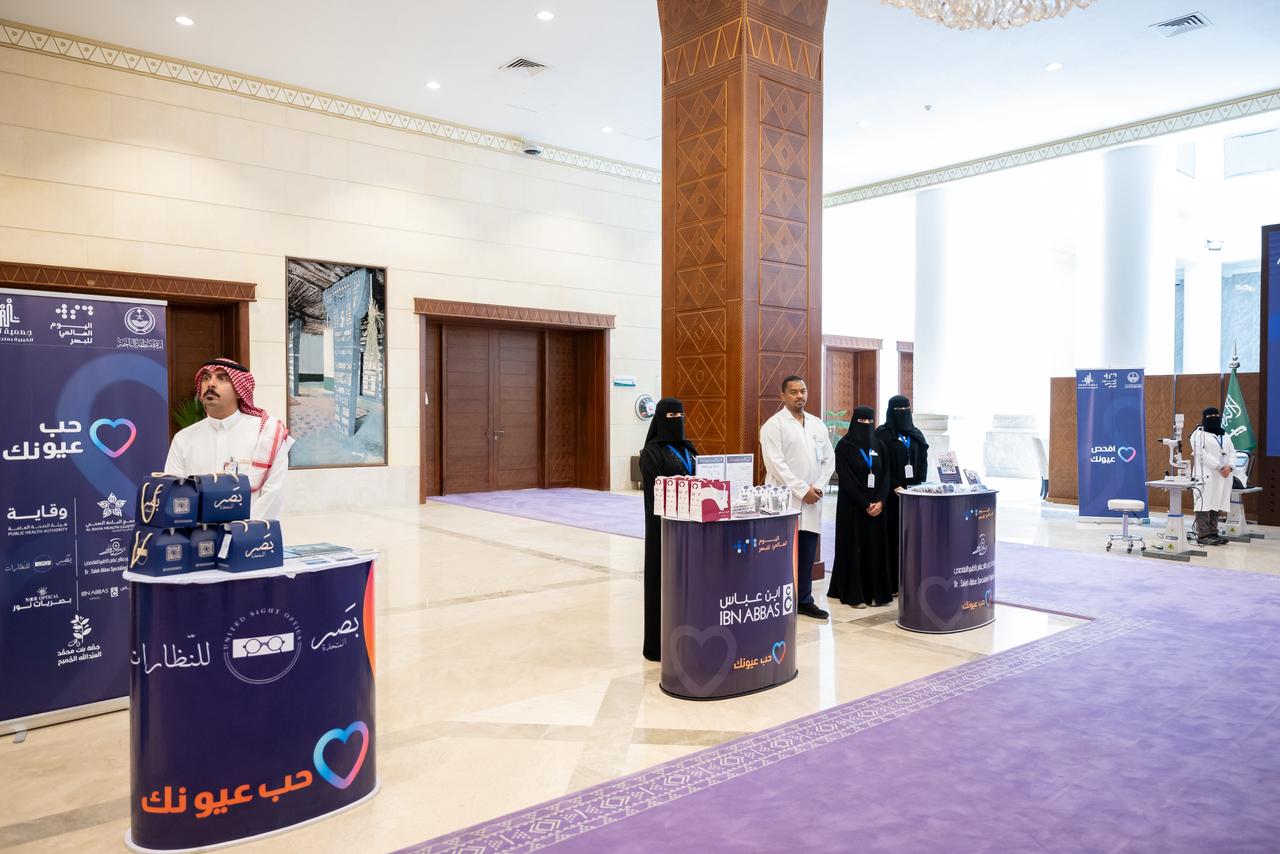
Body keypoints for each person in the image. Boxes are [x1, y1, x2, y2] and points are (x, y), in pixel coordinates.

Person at [165, 357, 294, 520]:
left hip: (252, 532)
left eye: (222, 378)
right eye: (206, 378)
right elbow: (176, 494)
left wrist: (241, 531)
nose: (211, 384)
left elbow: (273, 493)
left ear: (240, 391)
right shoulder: (183, 438)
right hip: (198, 534)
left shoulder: (268, 433)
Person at [760, 375, 835, 620]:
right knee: (781, 552)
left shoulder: (817, 424)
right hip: (785, 499)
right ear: (783, 396)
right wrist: (802, 490)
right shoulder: (773, 425)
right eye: (793, 392)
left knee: (807, 551)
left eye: (802, 391)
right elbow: (776, 464)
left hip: (813, 500)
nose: (799, 396)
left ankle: (804, 599)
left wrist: (818, 488)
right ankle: (778, 600)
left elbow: (829, 459)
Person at [638, 397, 699, 661]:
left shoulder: (690, 449)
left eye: (680, 416)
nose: (677, 421)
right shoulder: (650, 454)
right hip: (663, 528)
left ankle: (688, 638)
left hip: (693, 526)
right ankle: (658, 645)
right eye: (671, 416)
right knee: (662, 583)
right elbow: (656, 493)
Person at [828, 406, 891, 609]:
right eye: (862, 421)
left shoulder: (880, 446)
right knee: (852, 547)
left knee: (874, 548)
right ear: (855, 422)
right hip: (852, 506)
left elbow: (886, 476)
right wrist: (865, 503)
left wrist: (880, 501)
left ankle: (876, 593)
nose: (866, 425)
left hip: (877, 507)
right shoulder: (844, 446)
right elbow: (846, 478)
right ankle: (853, 594)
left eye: (870, 422)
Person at [876, 395, 929, 597]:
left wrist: (918, 486)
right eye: (898, 410)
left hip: (912, 497)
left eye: (906, 409)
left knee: (911, 539)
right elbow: (880, 465)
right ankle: (890, 583)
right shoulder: (882, 434)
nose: (903, 413)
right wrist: (894, 485)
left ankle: (910, 580)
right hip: (891, 497)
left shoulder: (915, 434)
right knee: (891, 538)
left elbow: (923, 460)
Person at [1190, 406, 1235, 546]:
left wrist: (1230, 467)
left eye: (1216, 416)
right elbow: (1200, 454)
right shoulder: (1198, 434)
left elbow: (1233, 452)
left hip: (1223, 476)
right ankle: (1203, 535)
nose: (1214, 419)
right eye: (1210, 417)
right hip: (1206, 475)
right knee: (1204, 504)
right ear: (1204, 418)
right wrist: (1220, 466)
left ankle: (1213, 532)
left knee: (1217, 503)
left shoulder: (1225, 434)